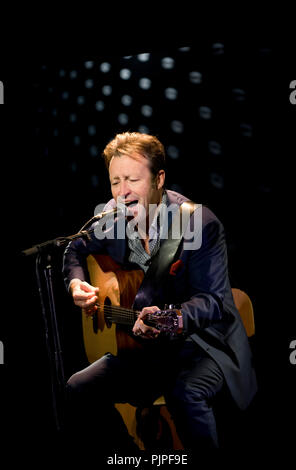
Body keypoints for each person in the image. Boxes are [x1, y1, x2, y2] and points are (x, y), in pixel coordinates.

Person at [62, 132, 257, 455]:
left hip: (203, 344)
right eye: (115, 181)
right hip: (148, 348)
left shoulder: (198, 223)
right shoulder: (112, 217)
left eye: (132, 180)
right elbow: (75, 247)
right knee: (77, 388)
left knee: (184, 392)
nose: (122, 192)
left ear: (159, 179)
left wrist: (168, 319)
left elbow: (213, 302)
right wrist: (76, 284)